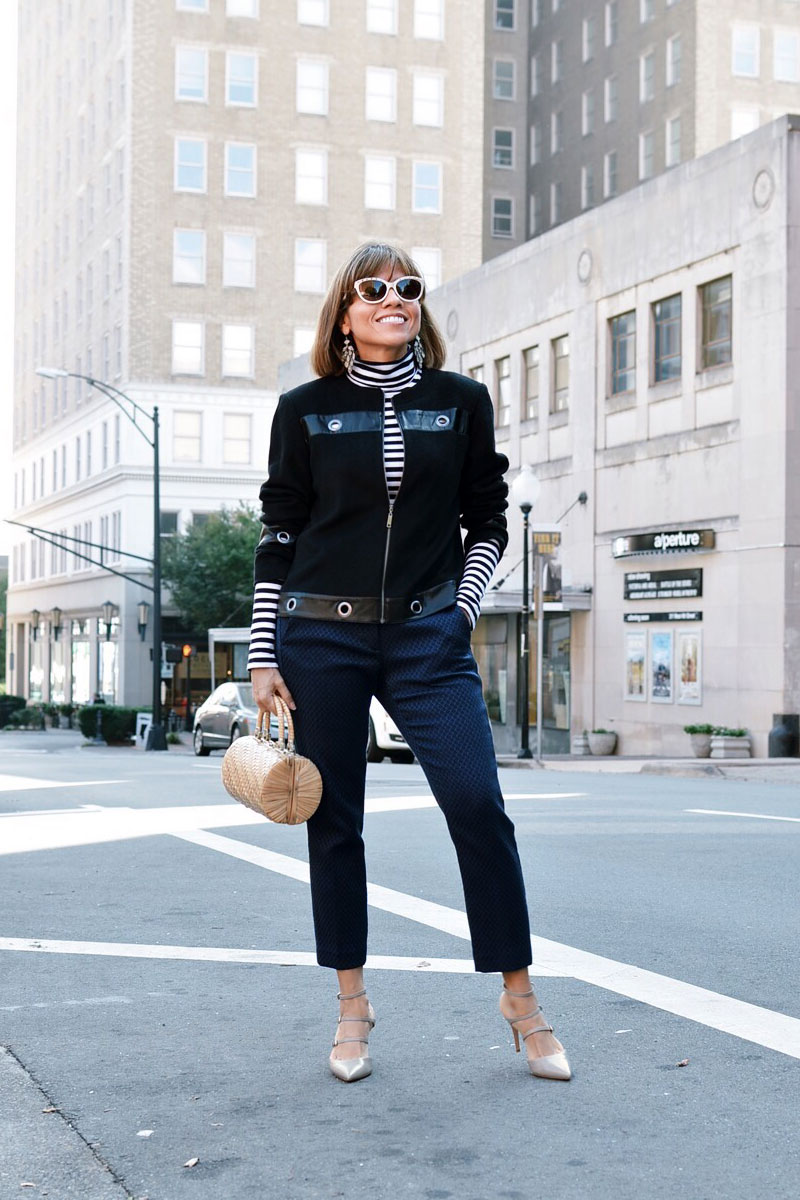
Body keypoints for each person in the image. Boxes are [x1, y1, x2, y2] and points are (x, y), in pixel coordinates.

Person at [248, 242, 570, 1084]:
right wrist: (262, 652)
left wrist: (462, 607)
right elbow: (279, 532)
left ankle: (521, 1000)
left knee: (478, 804)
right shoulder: (305, 409)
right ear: (344, 314)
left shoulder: (460, 402)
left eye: (408, 288)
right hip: (320, 635)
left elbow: (488, 520)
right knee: (335, 820)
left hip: (429, 634)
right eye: (375, 288)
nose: (394, 298)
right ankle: (353, 1005)